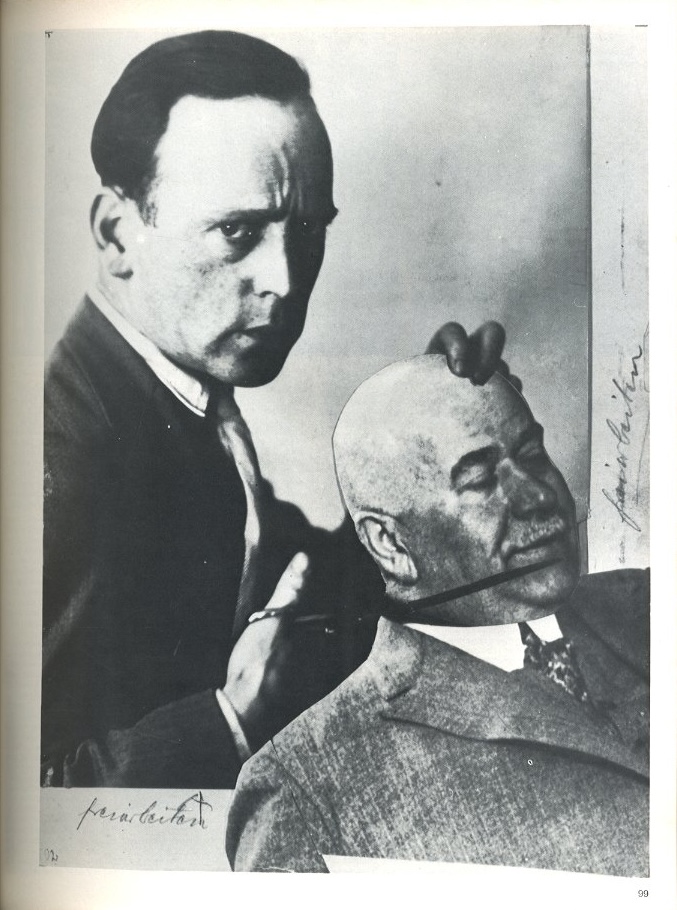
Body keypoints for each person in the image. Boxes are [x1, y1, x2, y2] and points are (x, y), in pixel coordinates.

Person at [42, 31, 509, 788]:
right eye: (237, 231)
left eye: (307, 229)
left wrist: (419, 441)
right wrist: (230, 719)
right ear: (117, 234)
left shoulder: (167, 395)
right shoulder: (59, 448)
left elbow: (288, 584)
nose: (286, 281)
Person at [226, 355, 649, 876]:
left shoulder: (649, 602)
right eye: (480, 480)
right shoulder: (305, 790)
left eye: (532, 454)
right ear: (391, 544)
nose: (541, 496)